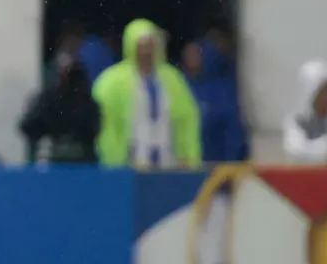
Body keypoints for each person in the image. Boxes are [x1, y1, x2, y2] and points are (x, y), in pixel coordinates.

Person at [92, 19, 201, 169]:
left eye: (150, 45)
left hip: (168, 163)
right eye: (141, 46)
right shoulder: (112, 82)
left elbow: (187, 119)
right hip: (129, 164)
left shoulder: (172, 79)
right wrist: (114, 162)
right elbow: (105, 124)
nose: (146, 52)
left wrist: (189, 157)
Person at [18, 55, 101, 164]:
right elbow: (27, 126)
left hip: (82, 162)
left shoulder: (85, 102)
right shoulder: (48, 99)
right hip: (51, 160)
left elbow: (93, 129)